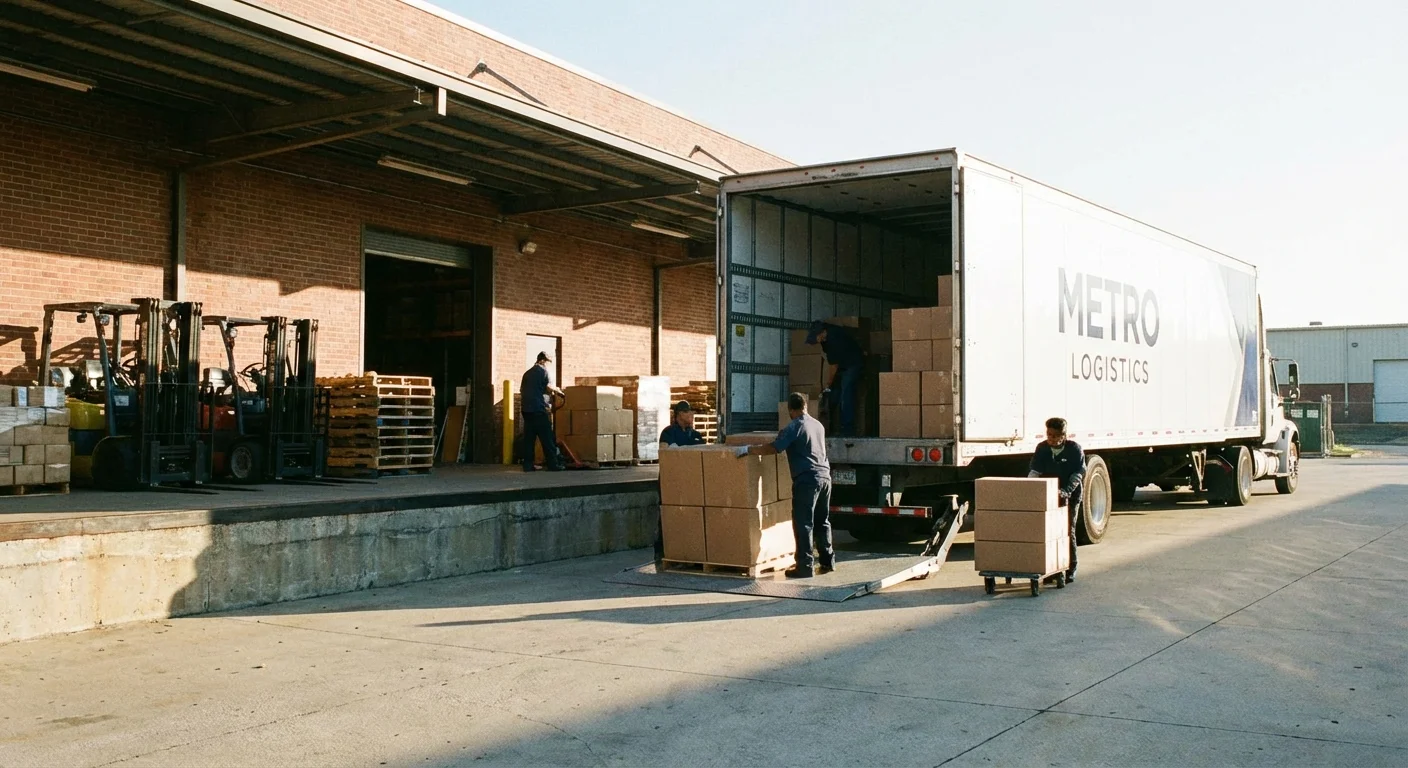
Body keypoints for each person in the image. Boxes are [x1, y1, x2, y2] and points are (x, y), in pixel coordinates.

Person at [743, 392, 834, 579]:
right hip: (825, 477)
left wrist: (748, 450)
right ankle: (827, 561)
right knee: (822, 521)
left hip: (807, 479)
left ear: (791, 410)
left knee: (803, 523)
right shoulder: (818, 425)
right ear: (806, 406)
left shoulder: (794, 426)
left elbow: (774, 448)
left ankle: (805, 566)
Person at [1028, 416, 1084, 582]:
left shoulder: (1074, 449)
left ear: (1063, 436)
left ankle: (1070, 568)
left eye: (1054, 435)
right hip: (1049, 494)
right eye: (1048, 434)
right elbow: (1035, 472)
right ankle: (1052, 569)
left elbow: (1078, 473)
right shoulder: (1042, 448)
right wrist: (1028, 489)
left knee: (1068, 530)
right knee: (1050, 532)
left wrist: (1067, 491)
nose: (1050, 438)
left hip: (1070, 495)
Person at [653, 400, 708, 564]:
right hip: (671, 481)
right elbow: (665, 453)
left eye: (691, 412)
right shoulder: (668, 433)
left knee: (691, 515)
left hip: (691, 481)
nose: (691, 415)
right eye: (687, 412)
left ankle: (688, 551)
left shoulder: (696, 435)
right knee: (668, 515)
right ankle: (662, 552)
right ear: (678, 415)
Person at [805, 320, 864, 437]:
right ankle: (831, 426)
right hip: (843, 363)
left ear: (821, 333)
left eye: (815, 338)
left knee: (846, 393)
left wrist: (828, 383)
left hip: (853, 363)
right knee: (834, 394)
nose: (815, 342)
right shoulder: (825, 338)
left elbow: (833, 366)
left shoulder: (834, 338)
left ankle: (847, 429)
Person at [519, 351, 565, 472]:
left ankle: (528, 465)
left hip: (526, 410)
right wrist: (559, 392)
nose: (549, 365)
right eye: (549, 363)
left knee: (529, 439)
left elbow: (524, 389)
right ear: (543, 361)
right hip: (538, 409)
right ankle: (553, 465)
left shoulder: (527, 373)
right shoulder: (544, 372)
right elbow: (549, 387)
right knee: (547, 438)